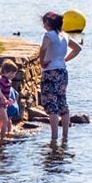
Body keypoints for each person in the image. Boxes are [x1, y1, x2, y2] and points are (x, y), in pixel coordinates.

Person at [38, 11, 82, 145]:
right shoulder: (64, 35)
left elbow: (43, 50)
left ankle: (54, 137)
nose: (43, 24)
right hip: (62, 71)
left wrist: (41, 62)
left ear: (48, 23)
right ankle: (65, 136)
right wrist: (65, 59)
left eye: (44, 22)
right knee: (62, 101)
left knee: (52, 104)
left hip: (50, 71)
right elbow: (78, 48)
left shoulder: (49, 35)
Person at [0, 61, 16, 141]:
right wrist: (4, 99)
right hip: (0, 104)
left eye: (14, 73)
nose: (13, 75)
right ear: (5, 72)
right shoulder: (2, 80)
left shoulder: (8, 81)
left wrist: (8, 99)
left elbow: (5, 93)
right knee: (5, 121)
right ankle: (2, 138)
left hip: (4, 104)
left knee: (0, 122)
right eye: (11, 73)